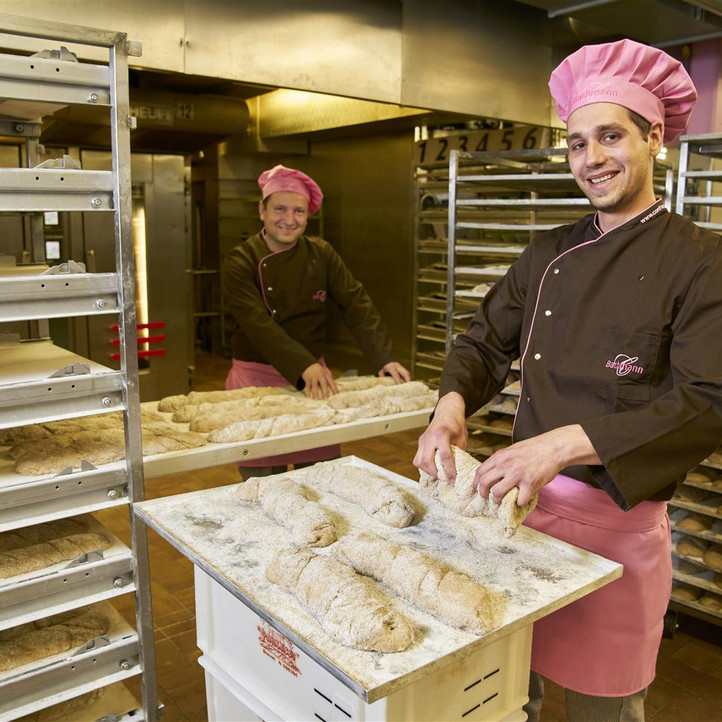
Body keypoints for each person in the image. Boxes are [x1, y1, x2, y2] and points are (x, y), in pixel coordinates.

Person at [414, 39, 722, 722]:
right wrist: (450, 406)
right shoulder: (549, 250)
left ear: (654, 138)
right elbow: (483, 339)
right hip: (519, 516)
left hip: (617, 528)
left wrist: (558, 445)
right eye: (578, 143)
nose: (593, 158)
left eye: (611, 136)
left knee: (601, 710)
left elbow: (705, 403)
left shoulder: (702, 261)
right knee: (505, 695)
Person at [222, 163, 410, 478]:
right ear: (262, 210)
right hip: (256, 381)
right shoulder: (240, 261)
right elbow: (257, 324)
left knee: (322, 474)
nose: (289, 219)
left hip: (315, 383)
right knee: (266, 479)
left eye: (299, 211)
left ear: (308, 216)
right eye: (280, 208)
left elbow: (356, 303)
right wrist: (304, 365)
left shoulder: (321, 254)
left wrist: (384, 357)